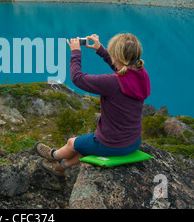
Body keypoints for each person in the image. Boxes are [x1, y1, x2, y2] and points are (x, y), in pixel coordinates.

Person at [35, 33, 151, 176]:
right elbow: (122, 70)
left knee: (72, 143)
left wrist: (76, 52)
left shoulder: (112, 83)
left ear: (115, 55)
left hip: (112, 143)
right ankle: (61, 167)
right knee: (86, 147)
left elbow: (78, 79)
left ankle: (53, 155)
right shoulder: (141, 75)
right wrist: (100, 49)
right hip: (133, 141)